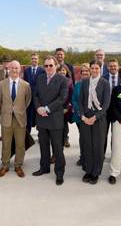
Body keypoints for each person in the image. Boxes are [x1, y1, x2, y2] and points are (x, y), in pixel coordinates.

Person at [32, 56, 68, 186]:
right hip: (41, 117)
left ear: (56, 66)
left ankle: (59, 173)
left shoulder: (62, 80)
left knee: (58, 148)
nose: (48, 68)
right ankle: (44, 168)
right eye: (46, 66)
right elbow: (35, 95)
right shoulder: (40, 78)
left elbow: (62, 98)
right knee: (43, 145)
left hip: (55, 118)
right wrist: (38, 108)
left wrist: (47, 108)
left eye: (50, 65)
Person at [0, 60, 32, 178]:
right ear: (9, 69)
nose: (15, 70)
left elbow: (27, 101)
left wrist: (18, 110)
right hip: (6, 118)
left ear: (20, 69)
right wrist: (8, 110)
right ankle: (5, 165)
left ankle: (18, 165)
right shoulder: (1, 84)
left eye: (17, 68)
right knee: (6, 143)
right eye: (12, 68)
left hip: (20, 119)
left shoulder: (26, 85)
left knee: (20, 144)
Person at [78, 60, 111, 185]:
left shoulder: (105, 83)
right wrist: (83, 116)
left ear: (100, 69)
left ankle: (96, 172)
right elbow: (80, 101)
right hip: (86, 118)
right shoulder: (85, 82)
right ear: (90, 69)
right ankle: (88, 170)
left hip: (99, 119)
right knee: (87, 145)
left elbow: (106, 104)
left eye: (97, 68)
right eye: (93, 68)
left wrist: (95, 117)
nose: (95, 70)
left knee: (97, 147)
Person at [71, 63, 90, 168]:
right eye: (83, 71)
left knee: (90, 138)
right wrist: (80, 113)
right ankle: (83, 156)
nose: (85, 73)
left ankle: (90, 157)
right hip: (80, 116)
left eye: (87, 71)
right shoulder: (78, 85)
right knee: (82, 137)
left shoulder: (94, 84)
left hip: (91, 117)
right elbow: (74, 99)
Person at [23, 53, 45, 135]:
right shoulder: (26, 71)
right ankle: (27, 134)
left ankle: (41, 134)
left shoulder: (42, 71)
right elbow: (24, 83)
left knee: (39, 115)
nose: (34, 60)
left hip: (38, 97)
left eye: (35, 58)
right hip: (28, 97)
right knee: (28, 115)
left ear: (38, 60)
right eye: (32, 58)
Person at [58, 64, 74, 148]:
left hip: (65, 107)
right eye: (60, 70)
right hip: (56, 107)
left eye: (63, 70)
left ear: (66, 71)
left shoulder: (69, 81)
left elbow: (72, 95)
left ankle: (65, 139)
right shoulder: (54, 80)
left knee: (64, 124)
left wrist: (67, 108)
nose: (62, 71)